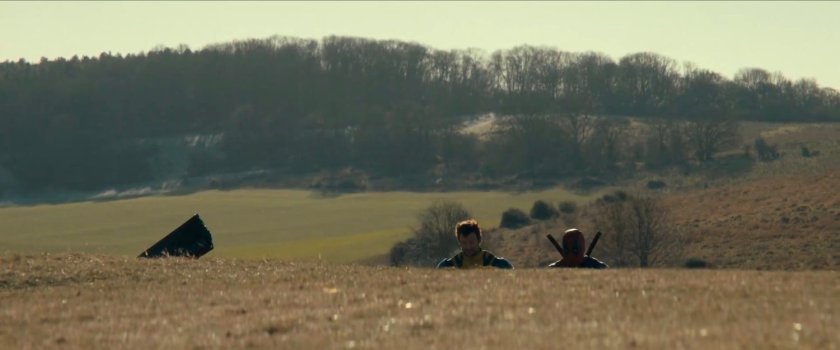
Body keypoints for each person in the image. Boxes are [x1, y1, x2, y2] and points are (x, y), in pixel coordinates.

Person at [436, 219, 513, 269]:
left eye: (471, 242)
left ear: (479, 240)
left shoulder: (499, 265)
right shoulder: (448, 266)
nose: (468, 247)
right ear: (459, 241)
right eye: (464, 243)